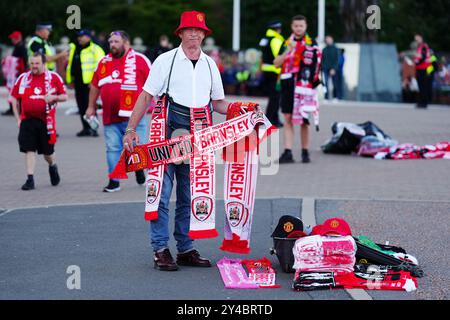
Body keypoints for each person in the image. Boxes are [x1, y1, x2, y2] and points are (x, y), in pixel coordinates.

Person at [123, 11, 231, 271]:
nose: (194, 34)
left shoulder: (209, 65)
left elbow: (217, 103)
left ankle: (185, 248)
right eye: (189, 30)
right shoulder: (165, 60)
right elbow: (147, 95)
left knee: (190, 195)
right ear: (180, 33)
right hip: (166, 132)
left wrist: (245, 111)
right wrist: (130, 129)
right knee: (160, 192)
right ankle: (160, 248)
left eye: (199, 30)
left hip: (197, 137)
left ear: (204, 35)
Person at [85, 31, 151, 192]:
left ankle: (139, 170)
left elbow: (153, 84)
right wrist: (91, 106)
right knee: (113, 148)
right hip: (110, 117)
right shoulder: (103, 62)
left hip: (134, 118)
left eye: (116, 41)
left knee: (137, 148)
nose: (112, 45)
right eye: (110, 42)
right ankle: (114, 181)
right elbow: (95, 86)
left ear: (126, 43)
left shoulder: (140, 60)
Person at [11, 52, 68, 190]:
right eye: (31, 63)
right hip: (27, 120)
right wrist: (18, 118)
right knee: (29, 149)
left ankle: (52, 165)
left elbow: (65, 96)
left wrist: (53, 97)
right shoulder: (23, 78)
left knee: (47, 153)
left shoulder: (53, 77)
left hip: (45, 122)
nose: (34, 66)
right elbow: (13, 98)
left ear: (44, 64)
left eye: (37, 63)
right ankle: (30, 179)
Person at [274, 15, 321, 164]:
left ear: (306, 26)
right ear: (292, 27)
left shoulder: (312, 44)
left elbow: (317, 66)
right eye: (296, 26)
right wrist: (288, 50)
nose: (298, 28)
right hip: (288, 84)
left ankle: (305, 152)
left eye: (301, 26)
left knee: (304, 120)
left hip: (304, 87)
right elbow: (276, 63)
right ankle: (288, 152)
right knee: (287, 118)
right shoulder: (286, 43)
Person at [66, 29, 105, 137]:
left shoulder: (95, 49)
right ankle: (85, 128)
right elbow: (71, 65)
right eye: (78, 36)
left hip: (90, 83)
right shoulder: (75, 48)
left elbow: (101, 66)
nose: (79, 38)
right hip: (78, 82)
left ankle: (93, 128)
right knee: (81, 106)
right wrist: (70, 80)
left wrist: (95, 82)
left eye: (82, 36)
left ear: (88, 37)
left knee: (90, 105)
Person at [259, 20, 285, 128]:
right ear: (277, 29)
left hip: (266, 69)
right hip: (276, 71)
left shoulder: (265, 39)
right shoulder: (276, 39)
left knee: (274, 96)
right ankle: (269, 119)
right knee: (275, 97)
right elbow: (279, 57)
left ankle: (275, 118)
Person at [2, 31, 28, 116]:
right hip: (15, 73)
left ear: (17, 38)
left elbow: (23, 60)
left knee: (15, 92)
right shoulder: (18, 46)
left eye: (13, 38)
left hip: (17, 73)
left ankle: (15, 109)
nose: (12, 40)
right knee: (14, 91)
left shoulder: (21, 47)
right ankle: (14, 109)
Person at [413, 34, 433, 108]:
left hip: (423, 69)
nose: (416, 40)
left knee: (423, 86)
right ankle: (422, 102)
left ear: (421, 38)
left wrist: (417, 62)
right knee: (421, 86)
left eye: (417, 38)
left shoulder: (423, 46)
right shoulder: (420, 47)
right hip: (421, 68)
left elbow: (423, 57)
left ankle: (423, 103)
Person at [322, 35, 340, 102]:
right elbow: (322, 60)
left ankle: (335, 97)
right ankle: (326, 97)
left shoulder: (336, 49)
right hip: (325, 69)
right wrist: (322, 68)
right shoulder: (324, 49)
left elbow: (337, 60)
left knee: (334, 83)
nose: (328, 41)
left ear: (332, 40)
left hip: (333, 69)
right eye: (327, 40)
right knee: (325, 83)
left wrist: (334, 69)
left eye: (329, 39)